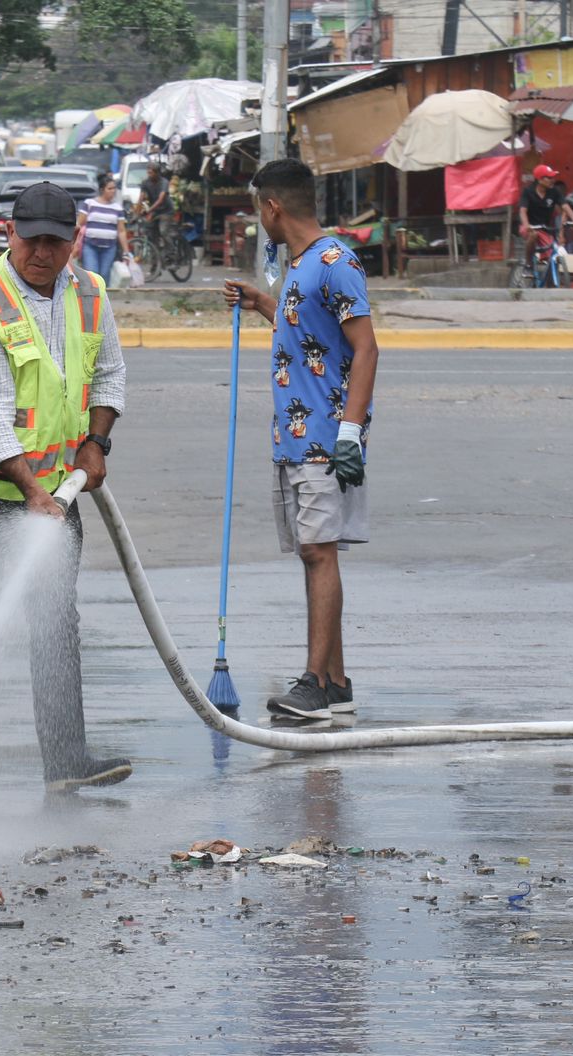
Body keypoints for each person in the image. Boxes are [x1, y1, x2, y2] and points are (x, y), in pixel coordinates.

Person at [0, 182, 132, 792]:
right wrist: (33, 495)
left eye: (55, 241)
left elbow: (110, 374)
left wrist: (97, 443)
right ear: (9, 233)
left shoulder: (90, 292)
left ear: (73, 240)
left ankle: (66, 764)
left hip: (53, 484)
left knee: (55, 619)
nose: (42, 251)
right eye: (31, 238)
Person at [223, 158, 380, 722]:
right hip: (292, 434)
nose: (257, 219)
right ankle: (335, 681)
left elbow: (366, 347)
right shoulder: (300, 267)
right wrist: (261, 303)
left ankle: (314, 682)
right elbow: (307, 335)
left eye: (256, 209)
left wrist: (350, 433)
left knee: (319, 552)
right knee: (313, 554)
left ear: (273, 207)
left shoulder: (335, 261)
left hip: (325, 436)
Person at [73, 172, 131, 282]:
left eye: (114, 188)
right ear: (102, 189)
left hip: (109, 248)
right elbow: (79, 225)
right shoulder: (89, 204)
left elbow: (121, 231)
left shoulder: (117, 208)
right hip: (90, 246)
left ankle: (103, 298)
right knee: (92, 274)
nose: (113, 191)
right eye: (110, 188)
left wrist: (126, 252)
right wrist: (75, 244)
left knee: (104, 275)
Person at [518, 163, 573, 259]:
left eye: (553, 177)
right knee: (533, 235)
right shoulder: (528, 192)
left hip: (545, 229)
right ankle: (528, 265)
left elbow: (565, 206)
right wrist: (526, 225)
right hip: (529, 227)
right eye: (549, 178)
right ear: (539, 179)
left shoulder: (554, 192)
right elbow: (523, 211)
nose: (553, 180)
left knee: (552, 255)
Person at [137, 162, 172, 249]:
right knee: (150, 231)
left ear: (157, 173)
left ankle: (171, 249)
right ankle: (156, 254)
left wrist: (149, 211)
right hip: (155, 211)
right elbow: (140, 199)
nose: (149, 175)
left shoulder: (164, 182)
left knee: (163, 231)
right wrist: (136, 214)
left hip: (166, 211)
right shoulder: (145, 182)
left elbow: (160, 200)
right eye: (148, 172)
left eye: (151, 173)